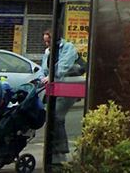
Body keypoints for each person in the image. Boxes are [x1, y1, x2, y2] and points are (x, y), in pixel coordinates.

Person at [41, 31, 79, 167]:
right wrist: (41, 77)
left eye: (48, 41)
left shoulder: (68, 48)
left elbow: (63, 67)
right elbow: (43, 69)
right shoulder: (47, 52)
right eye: (45, 42)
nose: (47, 45)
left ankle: (60, 150)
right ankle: (57, 150)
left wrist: (51, 74)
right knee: (52, 116)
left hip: (68, 87)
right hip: (55, 87)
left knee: (57, 116)